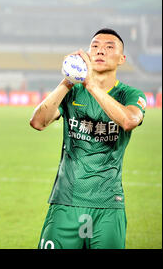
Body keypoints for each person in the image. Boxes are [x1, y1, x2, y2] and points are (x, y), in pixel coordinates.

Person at [30, 28, 147, 249]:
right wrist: (66, 82)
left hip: (108, 206)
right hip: (66, 203)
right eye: (94, 46)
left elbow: (129, 120)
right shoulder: (72, 92)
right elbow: (38, 122)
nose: (100, 51)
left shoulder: (130, 94)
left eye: (109, 47)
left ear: (122, 59)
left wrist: (91, 84)